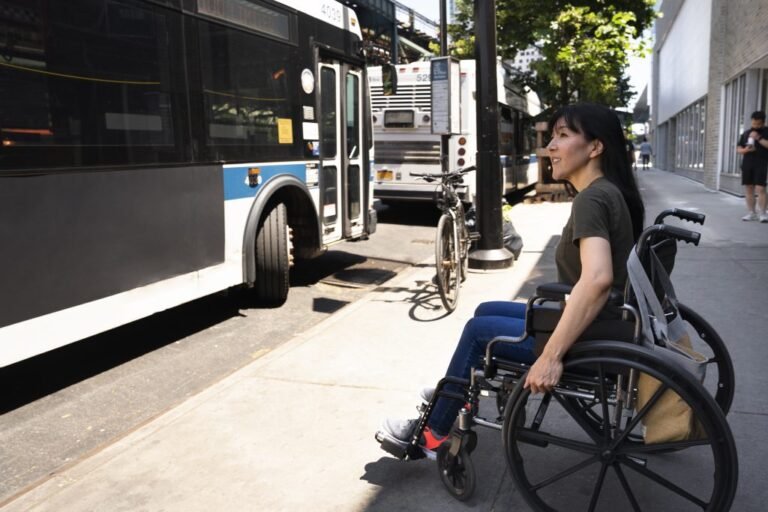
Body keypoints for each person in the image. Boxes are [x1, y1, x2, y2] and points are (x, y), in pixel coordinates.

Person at [377, 103, 646, 459]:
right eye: (552, 136)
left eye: (562, 136)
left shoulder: (593, 199)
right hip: (605, 325)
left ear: (595, 147)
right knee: (485, 310)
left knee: (478, 333)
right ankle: (453, 390)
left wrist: (550, 357)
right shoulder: (607, 191)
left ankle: (431, 435)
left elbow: (597, 280)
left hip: (590, 335)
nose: (550, 146)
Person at [736, 111, 768, 222]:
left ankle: (763, 213)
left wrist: (758, 138)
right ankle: (752, 213)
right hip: (747, 164)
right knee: (749, 188)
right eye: (753, 123)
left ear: (763, 122)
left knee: (761, 188)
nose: (755, 126)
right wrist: (746, 150)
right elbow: (738, 149)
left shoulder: (766, 131)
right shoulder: (746, 133)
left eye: (758, 124)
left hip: (762, 163)